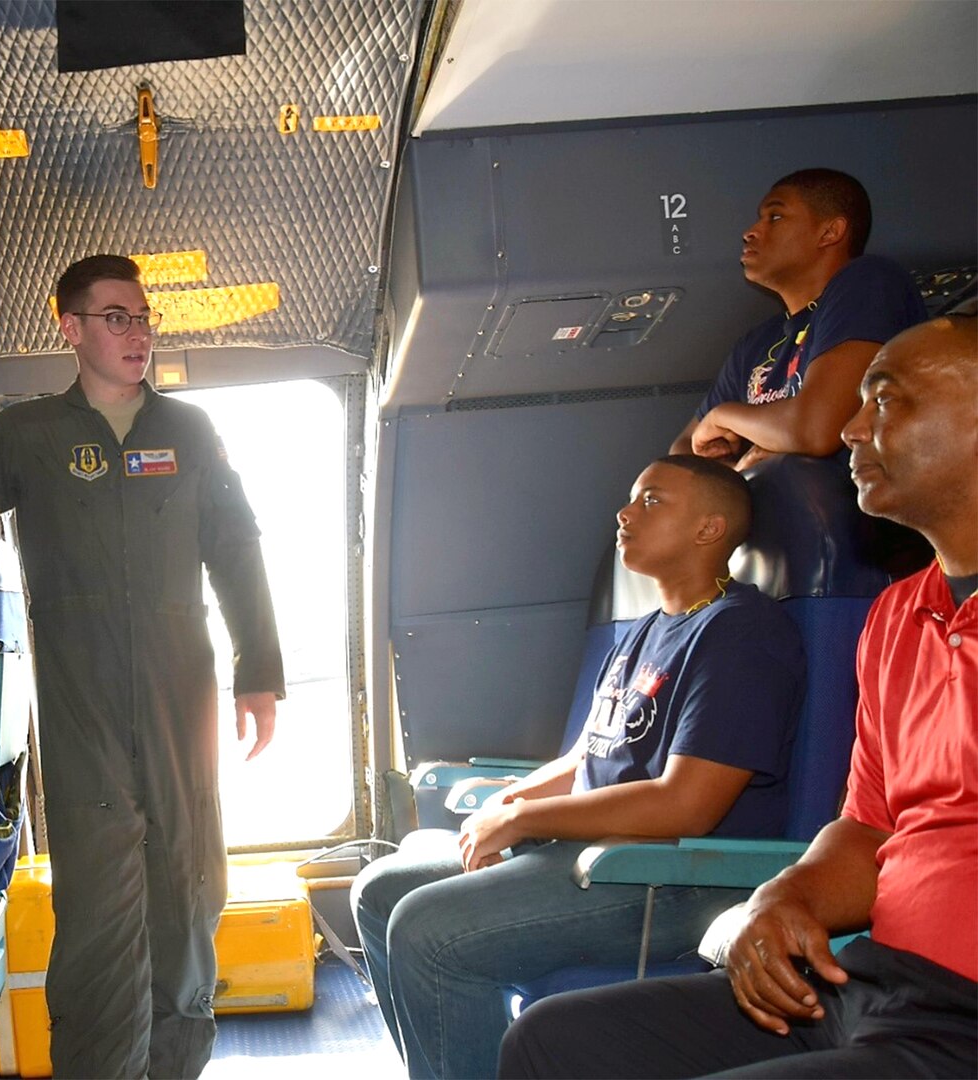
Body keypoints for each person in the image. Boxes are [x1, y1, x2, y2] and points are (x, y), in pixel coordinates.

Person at [498, 315, 977, 1079]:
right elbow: (865, 831)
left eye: (884, 402)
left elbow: (686, 801)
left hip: (962, 1016)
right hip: (879, 981)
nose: (849, 430)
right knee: (551, 1043)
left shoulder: (739, 633)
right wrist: (782, 900)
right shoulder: (896, 615)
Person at [351, 454, 806, 1079]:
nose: (624, 513)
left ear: (709, 528)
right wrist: (508, 803)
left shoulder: (742, 635)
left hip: (669, 877)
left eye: (652, 501)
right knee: (378, 891)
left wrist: (526, 819)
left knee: (429, 930)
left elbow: (686, 805)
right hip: (595, 852)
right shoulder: (648, 630)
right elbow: (587, 757)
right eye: (630, 498)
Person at [0, 254, 285, 1078]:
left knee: (189, 892)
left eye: (142, 318)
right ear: (71, 329)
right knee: (99, 910)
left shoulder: (189, 433)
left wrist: (259, 672)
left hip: (180, 697)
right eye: (116, 318)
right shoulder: (26, 435)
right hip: (81, 704)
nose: (136, 334)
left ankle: (175, 1065)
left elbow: (236, 550)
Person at [671, 168, 924, 469]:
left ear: (830, 232)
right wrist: (734, 476)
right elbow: (683, 454)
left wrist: (723, 416)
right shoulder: (756, 344)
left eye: (775, 217)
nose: (750, 231)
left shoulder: (869, 281)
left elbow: (816, 430)